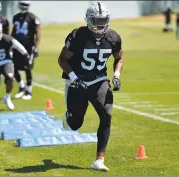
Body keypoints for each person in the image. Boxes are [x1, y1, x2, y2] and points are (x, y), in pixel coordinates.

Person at [58, 2, 123, 171]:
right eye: (96, 21)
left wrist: (116, 75)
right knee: (75, 124)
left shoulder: (113, 37)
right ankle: (68, 117)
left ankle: (99, 160)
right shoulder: (78, 35)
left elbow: (119, 58)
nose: (99, 25)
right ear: (88, 20)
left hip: (98, 80)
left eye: (102, 21)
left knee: (106, 114)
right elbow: (62, 59)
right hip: (77, 81)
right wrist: (73, 77)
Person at [12, 1, 41, 100]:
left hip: (28, 47)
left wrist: (36, 47)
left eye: (26, 5)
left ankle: (29, 91)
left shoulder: (33, 18)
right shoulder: (15, 17)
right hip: (16, 47)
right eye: (23, 5)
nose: (24, 7)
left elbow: (38, 33)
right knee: (13, 68)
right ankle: (21, 86)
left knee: (27, 68)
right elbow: (13, 32)